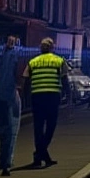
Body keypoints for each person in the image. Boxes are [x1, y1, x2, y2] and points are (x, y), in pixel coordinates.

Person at [24, 38, 70, 168]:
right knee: (51, 127)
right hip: (52, 97)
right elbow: (64, 79)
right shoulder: (59, 61)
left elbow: (26, 80)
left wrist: (26, 97)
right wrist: (68, 95)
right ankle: (40, 154)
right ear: (52, 48)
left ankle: (40, 157)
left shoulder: (33, 62)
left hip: (37, 96)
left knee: (38, 128)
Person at [0, 35, 22, 176]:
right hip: (11, 95)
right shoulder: (17, 54)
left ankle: (2, 158)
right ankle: (7, 161)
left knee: (1, 128)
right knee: (12, 129)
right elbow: (19, 73)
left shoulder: (0, 55)